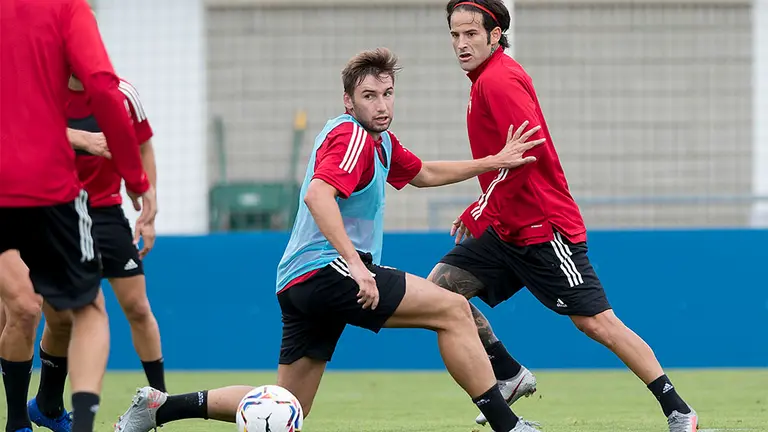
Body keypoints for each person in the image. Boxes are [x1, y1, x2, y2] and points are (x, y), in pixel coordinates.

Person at [112, 47, 545, 432]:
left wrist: (493, 161)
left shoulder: (380, 142)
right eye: (369, 96)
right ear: (348, 101)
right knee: (452, 309)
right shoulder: (351, 135)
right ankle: (509, 425)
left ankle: (160, 408)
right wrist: (357, 267)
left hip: (299, 281)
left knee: (288, 405)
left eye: (387, 94)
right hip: (327, 270)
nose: (381, 104)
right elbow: (318, 195)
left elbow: (424, 173)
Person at [428, 2, 699, 432]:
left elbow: (527, 154)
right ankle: (509, 373)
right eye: (455, 35)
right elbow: (505, 160)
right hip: (508, 227)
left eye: (471, 34)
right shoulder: (482, 81)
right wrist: (486, 208)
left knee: (597, 323)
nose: (461, 43)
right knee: (439, 293)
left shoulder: (499, 80)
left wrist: (480, 208)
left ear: (495, 36)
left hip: (543, 229)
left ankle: (679, 409)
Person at [0, 1, 157, 432]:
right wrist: (119, 166)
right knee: (25, 306)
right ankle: (21, 421)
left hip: (45, 195)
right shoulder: (64, 14)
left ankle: (47, 410)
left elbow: (104, 91)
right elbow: (101, 87)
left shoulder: (66, 12)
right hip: (23, 191)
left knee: (58, 312)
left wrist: (135, 178)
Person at [22, 74, 166, 432]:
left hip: (106, 213)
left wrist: (147, 209)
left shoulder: (122, 93)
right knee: (59, 317)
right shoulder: (41, 89)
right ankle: (47, 405)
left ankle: (161, 403)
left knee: (138, 307)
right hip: (56, 214)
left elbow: (144, 147)